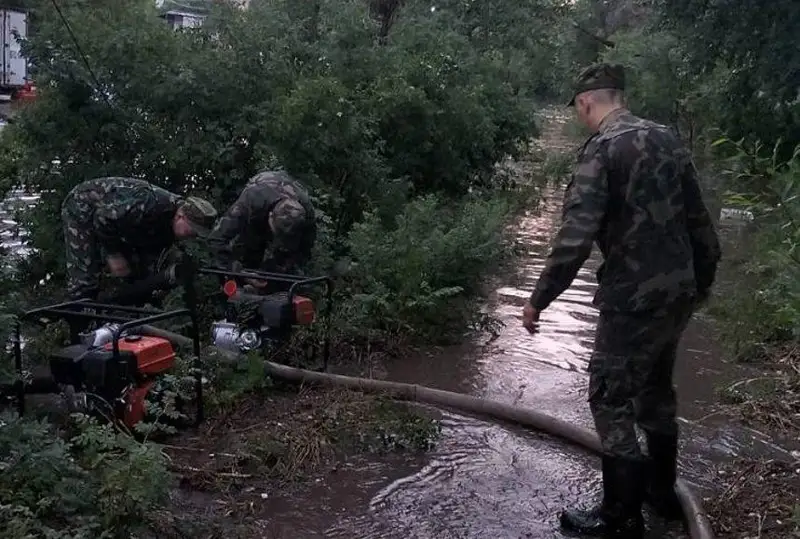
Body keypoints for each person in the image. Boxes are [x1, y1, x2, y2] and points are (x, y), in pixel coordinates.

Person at [521, 63, 721, 538]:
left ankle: (618, 518)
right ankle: (662, 495)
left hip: (631, 300)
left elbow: (575, 239)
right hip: (678, 292)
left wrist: (539, 300)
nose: (578, 118)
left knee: (610, 398)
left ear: (587, 102)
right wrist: (701, 283)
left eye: (577, 110)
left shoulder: (603, 149)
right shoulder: (667, 139)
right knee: (655, 392)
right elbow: (701, 224)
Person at [61, 177, 218, 302]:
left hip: (120, 224)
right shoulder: (148, 203)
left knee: (137, 276)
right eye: (192, 230)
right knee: (84, 279)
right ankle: (77, 329)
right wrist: (114, 254)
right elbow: (103, 219)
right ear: (180, 216)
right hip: (84, 207)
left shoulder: (169, 223)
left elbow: (149, 250)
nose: (193, 236)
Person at [206, 170, 317, 286]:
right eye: (277, 232)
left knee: (286, 269)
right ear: (270, 216)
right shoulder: (251, 200)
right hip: (259, 201)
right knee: (247, 252)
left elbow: (305, 250)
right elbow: (216, 239)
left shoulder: (306, 213)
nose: (277, 238)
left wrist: (283, 269)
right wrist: (239, 272)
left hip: (282, 193)